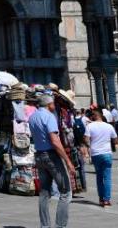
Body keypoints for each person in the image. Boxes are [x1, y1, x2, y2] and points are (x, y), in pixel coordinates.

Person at [29, 94, 75, 228]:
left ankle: (45, 225)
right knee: (65, 192)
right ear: (49, 104)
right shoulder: (49, 116)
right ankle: (60, 226)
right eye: (53, 103)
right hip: (51, 156)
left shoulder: (33, 117)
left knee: (44, 192)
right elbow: (55, 141)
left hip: (39, 155)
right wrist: (68, 161)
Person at [83, 108, 118, 206]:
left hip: (96, 153)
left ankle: (101, 198)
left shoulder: (89, 126)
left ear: (94, 115)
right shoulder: (109, 126)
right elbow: (115, 140)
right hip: (107, 153)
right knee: (107, 177)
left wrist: (89, 146)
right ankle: (107, 199)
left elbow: (86, 140)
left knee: (99, 176)